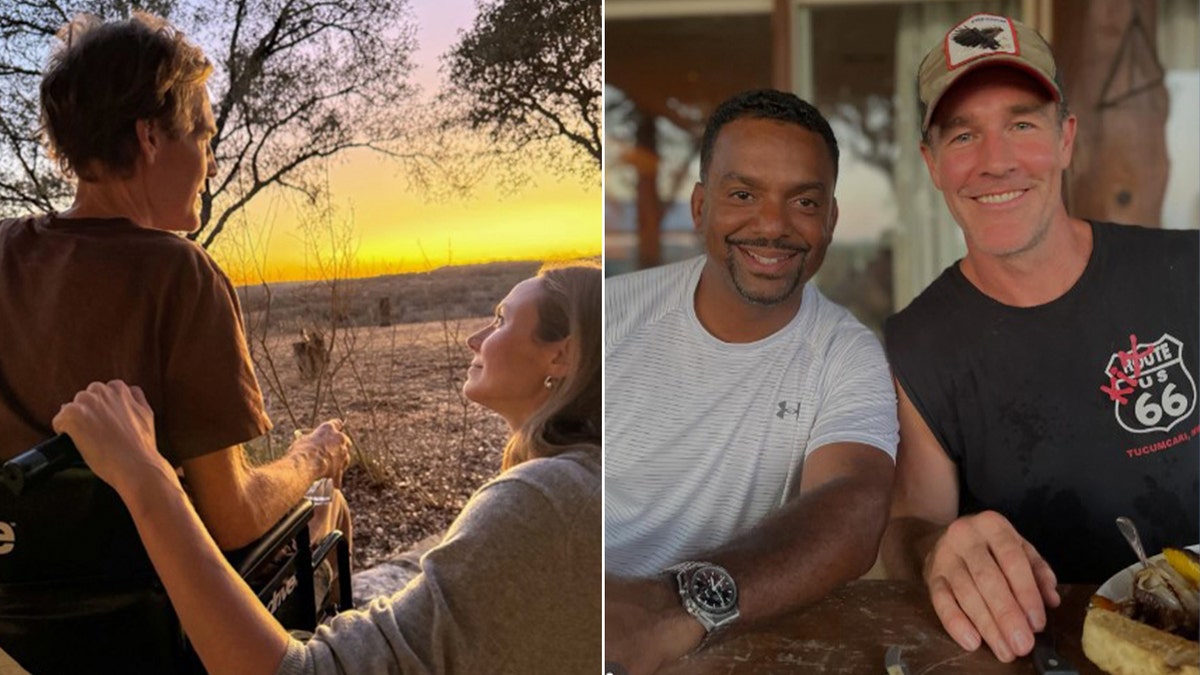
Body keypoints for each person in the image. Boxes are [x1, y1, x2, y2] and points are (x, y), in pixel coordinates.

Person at [53, 263, 603, 675]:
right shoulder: (594, 481)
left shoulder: (548, 501)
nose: (475, 338)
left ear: (562, 356)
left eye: (502, 319)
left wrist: (145, 476)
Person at [879, 12, 1199, 664]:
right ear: (931, 163)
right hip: (1041, 653)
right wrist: (937, 549)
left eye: (1022, 124)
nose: (996, 162)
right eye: (963, 134)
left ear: (1065, 140)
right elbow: (910, 528)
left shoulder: (1187, 272)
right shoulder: (918, 345)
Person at [0, 9, 350, 579]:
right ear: (150, 137)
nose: (211, 165)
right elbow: (232, 516)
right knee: (327, 506)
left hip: (19, 607)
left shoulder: (6, 248)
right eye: (204, 136)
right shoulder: (181, 275)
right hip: (153, 611)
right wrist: (312, 456)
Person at [604, 89, 899, 674]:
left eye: (804, 202)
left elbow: (853, 509)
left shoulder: (846, 352)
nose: (772, 226)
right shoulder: (611, 316)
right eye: (743, 195)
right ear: (699, 207)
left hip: (736, 651)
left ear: (831, 220)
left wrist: (671, 608)